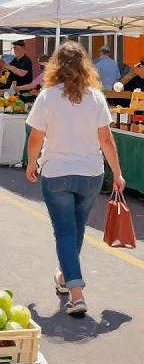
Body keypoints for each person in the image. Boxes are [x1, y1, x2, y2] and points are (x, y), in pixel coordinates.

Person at [26, 41, 124, 317]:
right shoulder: (95, 96)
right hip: (90, 173)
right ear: (85, 65)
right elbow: (106, 138)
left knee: (66, 232)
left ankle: (76, 292)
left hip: (56, 172)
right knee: (76, 230)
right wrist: (117, 172)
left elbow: (36, 136)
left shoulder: (47, 96)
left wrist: (31, 164)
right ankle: (64, 277)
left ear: (55, 65)